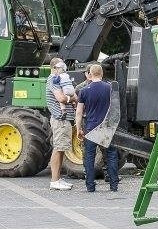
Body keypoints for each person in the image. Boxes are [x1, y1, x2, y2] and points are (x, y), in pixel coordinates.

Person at [75, 63, 120, 192]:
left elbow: (79, 113)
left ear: (90, 74)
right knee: (111, 155)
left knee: (89, 157)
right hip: (107, 127)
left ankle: (90, 186)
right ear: (102, 73)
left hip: (91, 127)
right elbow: (116, 109)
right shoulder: (110, 88)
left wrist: (79, 129)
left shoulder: (84, 91)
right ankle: (113, 185)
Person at [46, 57, 77, 191]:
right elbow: (61, 98)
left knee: (62, 148)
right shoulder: (53, 80)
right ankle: (54, 180)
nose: (63, 69)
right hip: (60, 119)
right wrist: (72, 98)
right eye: (60, 67)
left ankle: (58, 178)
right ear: (54, 67)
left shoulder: (59, 80)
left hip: (64, 119)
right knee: (58, 148)